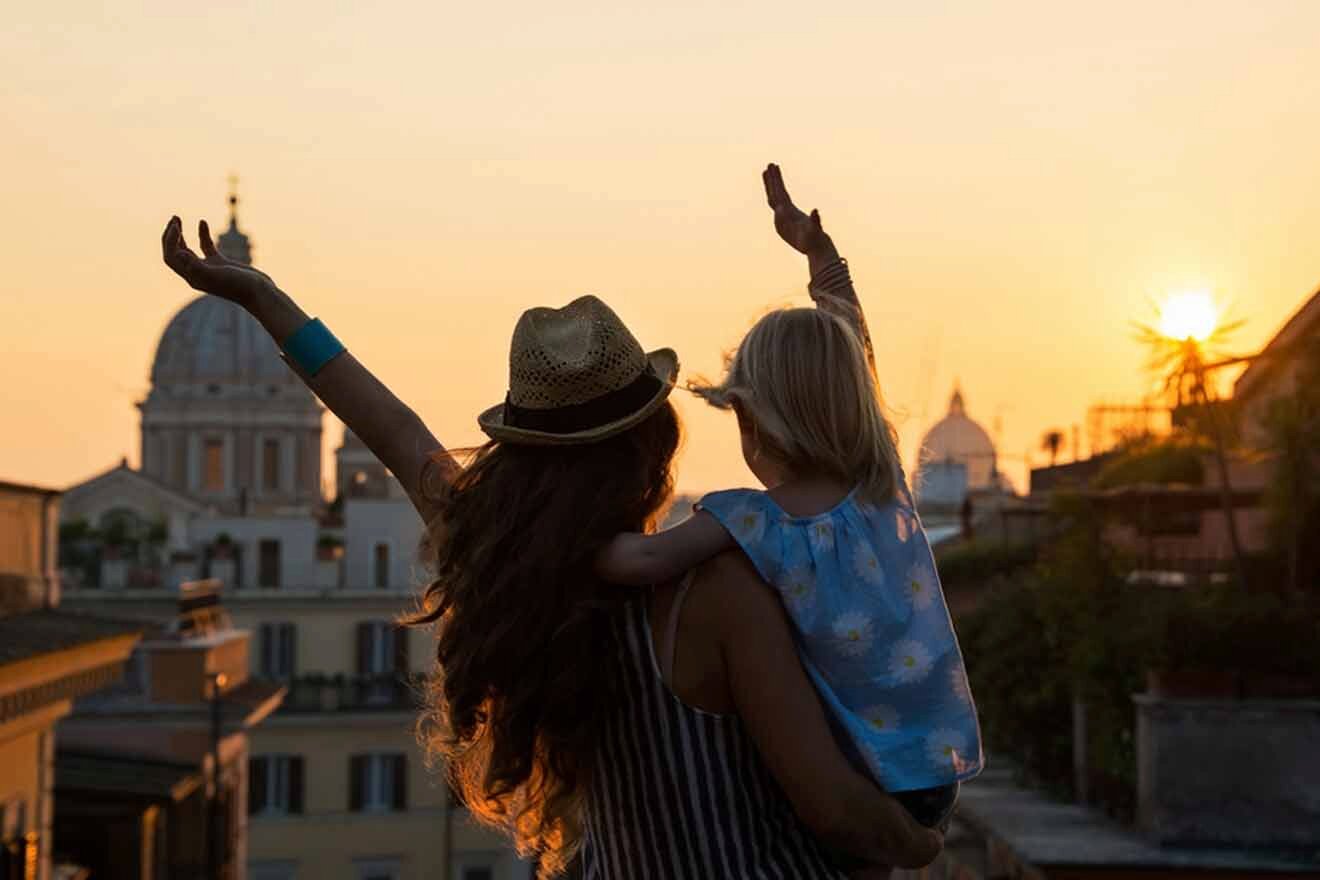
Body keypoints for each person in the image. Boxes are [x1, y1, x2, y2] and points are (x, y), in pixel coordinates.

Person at [157, 173, 942, 879]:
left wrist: (265, 301)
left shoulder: (507, 556)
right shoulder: (716, 586)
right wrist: (920, 846)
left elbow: (390, 426)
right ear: (655, 441)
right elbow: (832, 806)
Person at [596, 166, 985, 860]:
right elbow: (855, 349)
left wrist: (559, 534)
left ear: (750, 420)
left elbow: (642, 560)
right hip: (934, 766)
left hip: (858, 769)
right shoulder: (880, 484)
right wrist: (820, 257)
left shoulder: (753, 521)